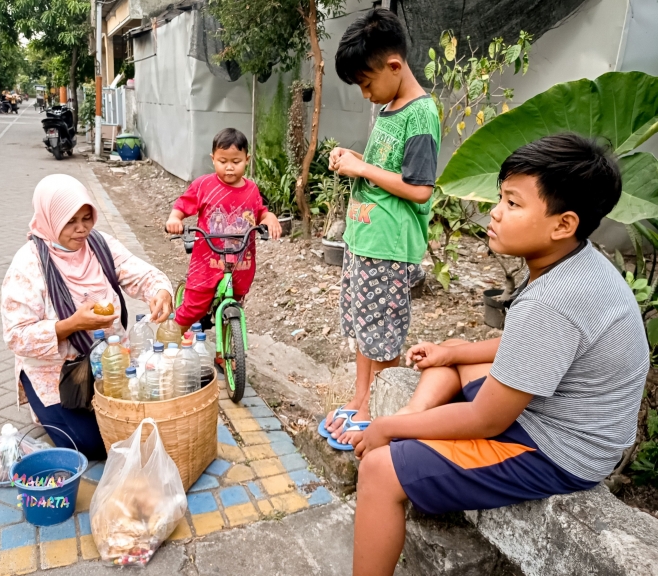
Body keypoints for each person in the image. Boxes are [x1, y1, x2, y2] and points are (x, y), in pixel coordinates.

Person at [350, 134, 650, 576]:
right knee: (455, 353)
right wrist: (451, 354)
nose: (495, 212)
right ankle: (417, 420)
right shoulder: (577, 260)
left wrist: (386, 428)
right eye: (501, 197)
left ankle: (405, 436)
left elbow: (488, 421)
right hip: (562, 414)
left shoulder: (554, 299)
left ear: (563, 223)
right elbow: (530, 348)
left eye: (512, 203)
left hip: (557, 451)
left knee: (379, 470)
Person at [323, 8, 440, 448]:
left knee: (383, 333)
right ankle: (360, 400)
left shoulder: (421, 115)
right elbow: (379, 170)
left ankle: (380, 414)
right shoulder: (390, 108)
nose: (365, 93)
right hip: (363, 239)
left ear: (394, 66)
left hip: (390, 247)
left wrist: (363, 168)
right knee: (361, 326)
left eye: (367, 83)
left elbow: (420, 189)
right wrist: (352, 164)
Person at [2, 174, 174, 459]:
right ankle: (41, 406)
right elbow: (17, 335)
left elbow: (140, 273)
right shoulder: (28, 264)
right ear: (50, 219)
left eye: (87, 218)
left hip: (112, 359)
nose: (81, 229)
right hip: (55, 371)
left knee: (137, 424)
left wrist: (160, 291)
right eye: (70, 221)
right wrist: (72, 325)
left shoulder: (99, 245)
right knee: (91, 443)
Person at [165, 128, 282, 330]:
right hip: (208, 261)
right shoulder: (204, 185)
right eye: (223, 161)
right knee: (193, 308)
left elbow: (260, 211)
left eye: (235, 162)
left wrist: (269, 217)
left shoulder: (252, 189)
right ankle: (171, 345)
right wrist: (175, 218)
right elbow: (183, 205)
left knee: (234, 304)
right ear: (213, 159)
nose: (229, 167)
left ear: (247, 159)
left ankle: (226, 353)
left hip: (240, 261)